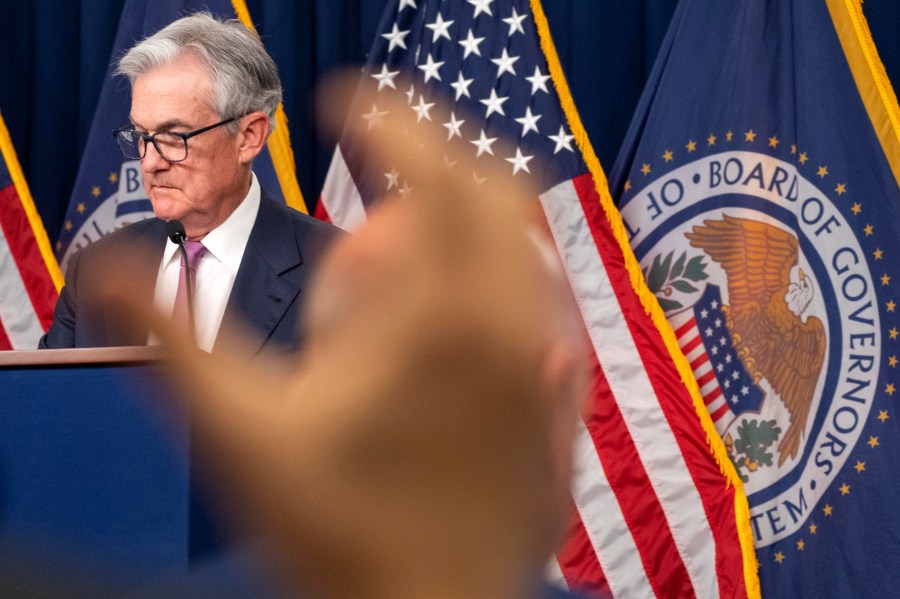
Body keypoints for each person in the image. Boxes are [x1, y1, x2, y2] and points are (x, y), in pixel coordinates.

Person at [39, 12, 340, 359]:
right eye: (141, 136)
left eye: (173, 136)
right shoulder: (95, 269)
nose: (150, 163)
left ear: (249, 137)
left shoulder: (334, 272)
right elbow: (49, 406)